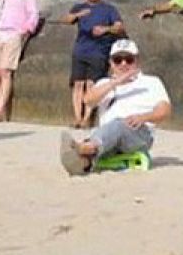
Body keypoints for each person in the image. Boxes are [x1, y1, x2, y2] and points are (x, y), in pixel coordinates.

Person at [59, 39, 171, 175]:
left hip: (138, 133)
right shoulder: (105, 83)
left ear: (137, 61)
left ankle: (85, 148)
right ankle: (84, 160)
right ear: (111, 63)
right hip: (107, 135)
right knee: (108, 131)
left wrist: (144, 117)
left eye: (128, 60)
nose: (123, 64)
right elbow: (88, 100)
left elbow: (164, 110)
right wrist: (116, 82)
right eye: (118, 60)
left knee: (118, 124)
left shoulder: (151, 82)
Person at [61, 0, 125, 128]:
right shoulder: (79, 7)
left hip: (99, 52)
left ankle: (86, 118)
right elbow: (66, 19)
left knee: (91, 84)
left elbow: (119, 27)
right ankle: (77, 117)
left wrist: (105, 29)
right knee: (78, 84)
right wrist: (78, 15)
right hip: (80, 51)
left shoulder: (109, 9)